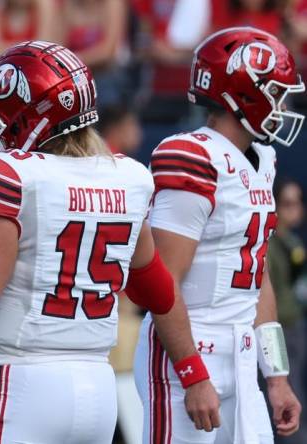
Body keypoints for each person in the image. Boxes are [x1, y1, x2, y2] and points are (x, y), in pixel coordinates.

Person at [0, 40, 219, 444]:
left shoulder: (13, 174)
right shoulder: (129, 178)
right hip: (98, 390)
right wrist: (194, 372)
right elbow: (157, 290)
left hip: (22, 382)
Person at [133, 26, 303, 444]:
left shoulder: (263, 159)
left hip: (242, 353)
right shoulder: (193, 156)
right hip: (190, 349)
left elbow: (257, 273)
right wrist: (191, 374)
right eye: (275, 92)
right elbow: (164, 281)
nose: (282, 104)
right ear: (243, 94)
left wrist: (276, 375)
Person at [265, 177, 306, 444]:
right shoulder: (268, 243)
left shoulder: (290, 241)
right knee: (287, 400)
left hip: (295, 329)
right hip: (278, 332)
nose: (296, 210)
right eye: (288, 204)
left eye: (298, 203)